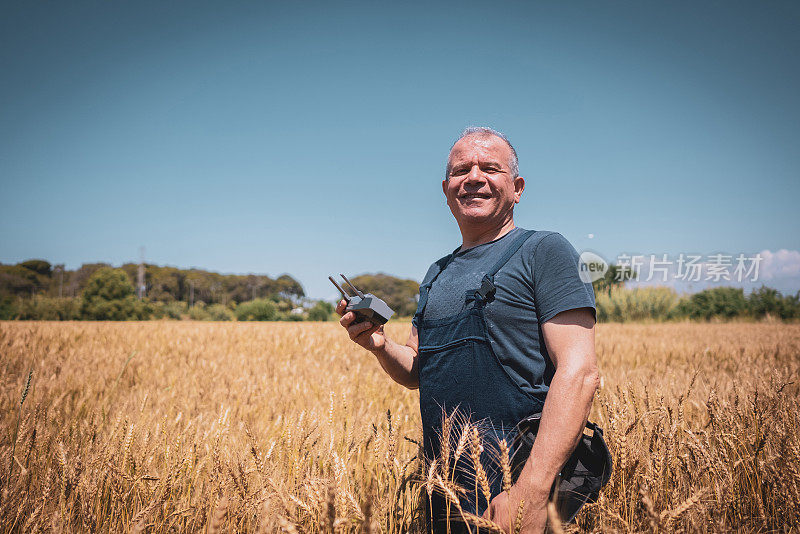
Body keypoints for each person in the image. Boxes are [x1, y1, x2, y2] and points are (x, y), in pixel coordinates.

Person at [337, 127, 603, 533]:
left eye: (490, 168)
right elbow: (417, 370)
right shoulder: (437, 273)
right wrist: (378, 344)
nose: (474, 177)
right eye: (462, 170)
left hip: (515, 486)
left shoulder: (544, 250)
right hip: (443, 487)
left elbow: (580, 373)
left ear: (517, 188)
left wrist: (530, 493)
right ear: (447, 190)